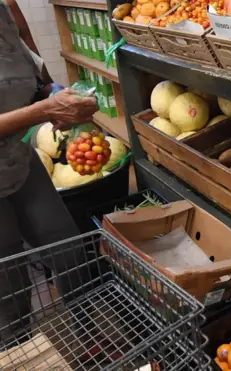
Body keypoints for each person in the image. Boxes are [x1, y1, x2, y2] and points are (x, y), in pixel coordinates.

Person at [0, 0, 99, 346]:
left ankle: (90, 338)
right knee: (8, 285)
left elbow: (26, 53)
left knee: (69, 249)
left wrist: (50, 90)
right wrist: (44, 110)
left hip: (18, 159)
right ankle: (21, 351)